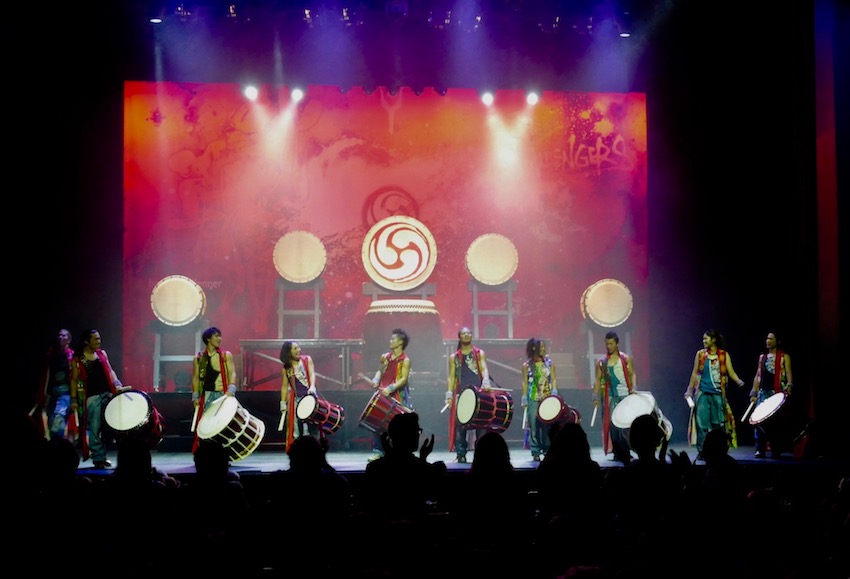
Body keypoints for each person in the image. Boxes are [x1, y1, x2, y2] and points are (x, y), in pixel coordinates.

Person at [360, 411, 446, 523]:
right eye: (416, 432)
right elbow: (427, 491)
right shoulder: (421, 468)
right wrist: (423, 459)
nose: (418, 435)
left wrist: (390, 453)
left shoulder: (374, 468)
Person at [685, 329, 746, 459]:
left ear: (713, 340)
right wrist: (690, 389)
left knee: (718, 424)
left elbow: (731, 371)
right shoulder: (700, 354)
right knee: (702, 424)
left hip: (718, 394)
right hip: (702, 393)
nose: (703, 341)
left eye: (706, 338)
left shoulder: (723, 355)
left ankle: (718, 450)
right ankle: (702, 451)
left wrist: (738, 380)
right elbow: (695, 373)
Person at [70, 328, 126, 468]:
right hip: (93, 397)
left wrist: (117, 383)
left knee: (110, 427)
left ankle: (104, 455)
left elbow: (110, 371)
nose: (99, 341)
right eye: (95, 339)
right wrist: (74, 399)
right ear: (86, 341)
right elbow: (74, 380)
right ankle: (98, 458)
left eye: (99, 338)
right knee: (95, 429)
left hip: (107, 394)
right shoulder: (78, 359)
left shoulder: (102, 354)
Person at [445, 326, 493, 463]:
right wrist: (449, 395)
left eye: (468, 333)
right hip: (462, 393)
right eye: (463, 333)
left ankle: (481, 453)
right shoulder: (454, 357)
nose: (466, 335)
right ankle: (461, 453)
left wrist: (486, 381)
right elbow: (451, 377)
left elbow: (484, 368)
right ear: (459, 336)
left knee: (481, 424)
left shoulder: (479, 353)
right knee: (461, 425)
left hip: (479, 393)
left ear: (471, 336)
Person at [364, 327, 412, 460]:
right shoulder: (385, 357)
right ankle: (378, 452)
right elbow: (380, 371)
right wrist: (376, 380)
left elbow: (403, 379)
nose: (390, 341)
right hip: (382, 394)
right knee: (377, 423)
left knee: (398, 426)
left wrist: (390, 388)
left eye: (393, 339)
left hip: (397, 395)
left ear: (400, 342)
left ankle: (399, 452)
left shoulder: (405, 360)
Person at [592, 331, 636, 465]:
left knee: (626, 425)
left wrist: (634, 388)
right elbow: (598, 380)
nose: (608, 346)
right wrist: (596, 396)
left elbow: (632, 374)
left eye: (611, 344)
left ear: (617, 344)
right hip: (611, 397)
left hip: (625, 395)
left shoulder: (625, 359)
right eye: (607, 344)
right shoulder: (602, 362)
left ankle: (626, 451)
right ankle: (617, 452)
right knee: (613, 426)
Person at [191, 326, 237, 453]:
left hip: (223, 395)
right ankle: (207, 454)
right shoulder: (199, 358)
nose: (219, 339)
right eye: (216, 336)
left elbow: (232, 373)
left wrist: (231, 389)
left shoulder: (225, 355)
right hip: (206, 396)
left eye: (220, 336)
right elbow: (196, 377)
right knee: (207, 426)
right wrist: (195, 396)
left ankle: (224, 454)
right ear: (208, 339)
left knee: (223, 426)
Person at [750, 331, 794, 458]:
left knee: (776, 423)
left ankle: (776, 448)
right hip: (763, 392)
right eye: (767, 338)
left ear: (777, 341)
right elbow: (758, 375)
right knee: (759, 421)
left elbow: (788, 372)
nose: (768, 341)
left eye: (771, 339)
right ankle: (760, 448)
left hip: (777, 393)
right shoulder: (762, 357)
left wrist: (790, 385)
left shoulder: (784, 356)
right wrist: (753, 392)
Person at [521, 337, 558, 461]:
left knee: (547, 425)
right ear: (534, 348)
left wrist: (554, 391)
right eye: (541, 347)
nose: (543, 349)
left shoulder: (549, 363)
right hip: (533, 398)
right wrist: (524, 397)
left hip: (547, 398)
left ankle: (547, 449)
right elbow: (525, 382)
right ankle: (535, 451)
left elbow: (553, 379)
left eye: (544, 346)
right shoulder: (527, 366)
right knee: (534, 425)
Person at [34, 328, 74, 441]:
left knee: (58, 418)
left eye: (63, 335)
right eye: (59, 335)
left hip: (66, 394)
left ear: (69, 340)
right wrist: (41, 394)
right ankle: (56, 445)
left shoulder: (72, 357)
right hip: (51, 395)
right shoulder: (50, 356)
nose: (60, 337)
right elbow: (44, 377)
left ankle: (59, 444)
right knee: (51, 420)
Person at [279, 340, 319, 453]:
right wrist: (283, 403)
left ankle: (314, 449)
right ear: (288, 352)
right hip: (296, 399)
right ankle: (297, 450)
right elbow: (284, 386)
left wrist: (312, 387)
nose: (298, 350)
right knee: (296, 426)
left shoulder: (307, 359)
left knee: (312, 424)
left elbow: (312, 374)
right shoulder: (286, 368)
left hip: (309, 397)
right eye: (295, 348)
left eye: (298, 347)